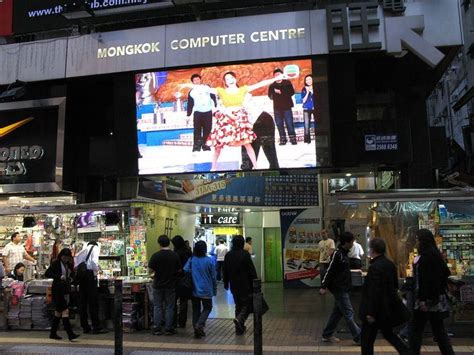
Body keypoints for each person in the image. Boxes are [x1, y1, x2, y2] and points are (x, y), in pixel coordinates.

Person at [180, 71, 286, 171]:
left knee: (247, 144)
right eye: (227, 79)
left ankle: (256, 167)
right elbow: (203, 88)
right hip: (227, 119)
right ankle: (213, 168)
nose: (229, 80)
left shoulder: (243, 90)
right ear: (225, 82)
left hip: (240, 119)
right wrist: (187, 85)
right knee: (218, 146)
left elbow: (260, 84)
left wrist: (276, 78)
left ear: (235, 79)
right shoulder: (221, 91)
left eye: (231, 77)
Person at [359, 238, 411, 355]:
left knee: (367, 340)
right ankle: (406, 352)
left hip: (376, 310)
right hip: (386, 309)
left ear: (372, 250)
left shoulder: (374, 267)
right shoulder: (390, 265)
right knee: (389, 334)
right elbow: (394, 286)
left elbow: (373, 291)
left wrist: (370, 312)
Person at [409, 229, 454, 355]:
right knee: (439, 331)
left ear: (422, 241)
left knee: (416, 331)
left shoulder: (426, 257)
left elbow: (425, 280)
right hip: (436, 299)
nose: (416, 242)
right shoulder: (435, 254)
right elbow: (445, 273)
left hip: (427, 300)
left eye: (417, 239)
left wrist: (423, 299)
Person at [320, 231, 361, 344]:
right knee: (348, 312)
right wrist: (323, 286)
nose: (353, 243)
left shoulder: (344, 254)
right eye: (352, 241)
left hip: (344, 288)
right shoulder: (338, 254)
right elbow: (330, 270)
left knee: (337, 313)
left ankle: (327, 334)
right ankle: (359, 337)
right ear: (346, 242)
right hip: (339, 289)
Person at [223, 235, 257, 335]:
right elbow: (251, 270)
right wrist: (255, 281)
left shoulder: (228, 255)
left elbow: (225, 270)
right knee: (246, 304)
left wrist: (226, 282)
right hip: (245, 284)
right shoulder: (245, 254)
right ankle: (240, 319)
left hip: (233, 284)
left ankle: (239, 328)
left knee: (238, 305)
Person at [149, 235, 181, 335]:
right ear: (169, 243)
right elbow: (179, 270)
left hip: (158, 285)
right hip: (170, 285)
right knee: (169, 307)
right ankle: (168, 328)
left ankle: (157, 328)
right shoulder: (174, 255)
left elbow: (151, 270)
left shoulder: (155, 255)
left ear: (159, 244)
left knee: (157, 306)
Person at [183, 240, 217, 338]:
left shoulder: (192, 259)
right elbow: (214, 277)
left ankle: (196, 330)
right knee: (207, 308)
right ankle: (200, 324)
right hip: (207, 289)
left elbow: (184, 270)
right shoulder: (209, 260)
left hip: (194, 289)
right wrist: (214, 289)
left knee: (196, 310)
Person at [45, 248, 79, 341]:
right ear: (61, 256)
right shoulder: (56, 263)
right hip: (58, 290)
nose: (65, 259)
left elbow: (72, 276)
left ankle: (53, 333)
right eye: (64, 256)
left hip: (65, 290)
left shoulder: (68, 265)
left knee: (58, 312)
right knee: (65, 311)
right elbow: (47, 273)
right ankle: (70, 334)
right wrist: (59, 277)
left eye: (67, 257)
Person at [74, 241, 105, 334]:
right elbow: (94, 262)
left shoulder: (83, 250)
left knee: (83, 302)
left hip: (82, 277)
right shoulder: (95, 248)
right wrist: (98, 270)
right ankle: (96, 326)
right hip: (90, 277)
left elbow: (76, 264)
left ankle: (85, 327)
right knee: (93, 302)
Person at [186, 74, 217, 152]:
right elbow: (190, 104)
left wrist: (216, 106)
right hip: (198, 112)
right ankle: (196, 147)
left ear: (200, 80)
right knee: (197, 130)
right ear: (192, 82)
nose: (196, 81)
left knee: (207, 129)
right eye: (194, 80)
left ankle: (206, 145)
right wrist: (188, 114)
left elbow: (213, 96)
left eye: (198, 79)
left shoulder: (206, 88)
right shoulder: (191, 92)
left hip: (208, 112)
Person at [268, 68, 297, 145]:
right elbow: (270, 96)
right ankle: (283, 140)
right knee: (279, 124)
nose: (277, 76)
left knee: (289, 123)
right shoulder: (272, 85)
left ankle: (293, 139)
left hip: (287, 107)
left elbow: (292, 92)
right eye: (275, 75)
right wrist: (274, 94)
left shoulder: (287, 83)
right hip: (277, 108)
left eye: (279, 74)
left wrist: (281, 92)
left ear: (282, 75)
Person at [171, 235, 192, 328]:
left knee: (173, 302)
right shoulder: (188, 253)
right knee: (184, 301)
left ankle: (173, 321)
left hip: (175, 280)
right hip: (186, 280)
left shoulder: (175, 254)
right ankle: (182, 322)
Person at [301, 74, 315, 143]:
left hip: (315, 108)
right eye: (307, 80)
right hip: (306, 109)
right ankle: (307, 141)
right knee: (306, 125)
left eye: (310, 79)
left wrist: (312, 91)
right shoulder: (304, 89)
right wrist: (307, 92)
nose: (308, 81)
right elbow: (303, 100)